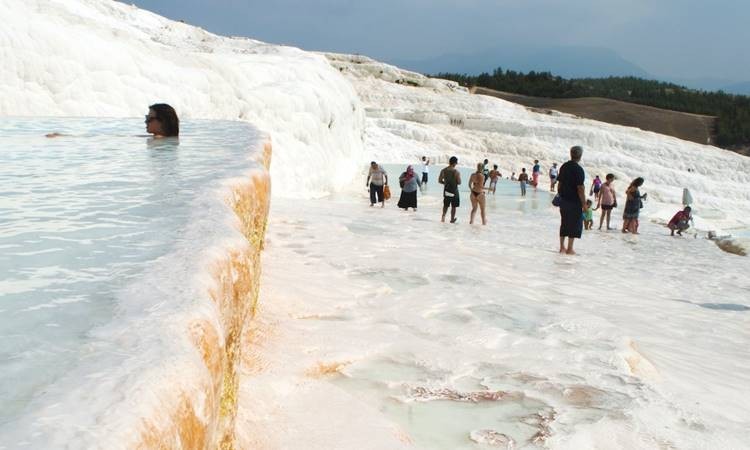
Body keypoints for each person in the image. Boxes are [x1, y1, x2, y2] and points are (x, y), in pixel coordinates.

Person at [556, 146, 587, 255]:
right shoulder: (579, 170)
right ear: (580, 156)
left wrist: (560, 194)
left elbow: (559, 183)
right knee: (574, 224)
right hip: (574, 201)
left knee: (564, 222)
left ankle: (561, 247)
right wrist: (584, 204)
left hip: (564, 200)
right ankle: (570, 248)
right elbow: (580, 188)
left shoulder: (564, 166)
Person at [439, 156, 462, 223]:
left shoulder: (443, 170)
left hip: (446, 190)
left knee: (446, 205)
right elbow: (459, 182)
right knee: (454, 206)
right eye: (456, 163)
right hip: (454, 191)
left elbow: (440, 180)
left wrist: (445, 183)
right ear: (454, 163)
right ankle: (452, 219)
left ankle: (443, 217)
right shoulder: (456, 172)